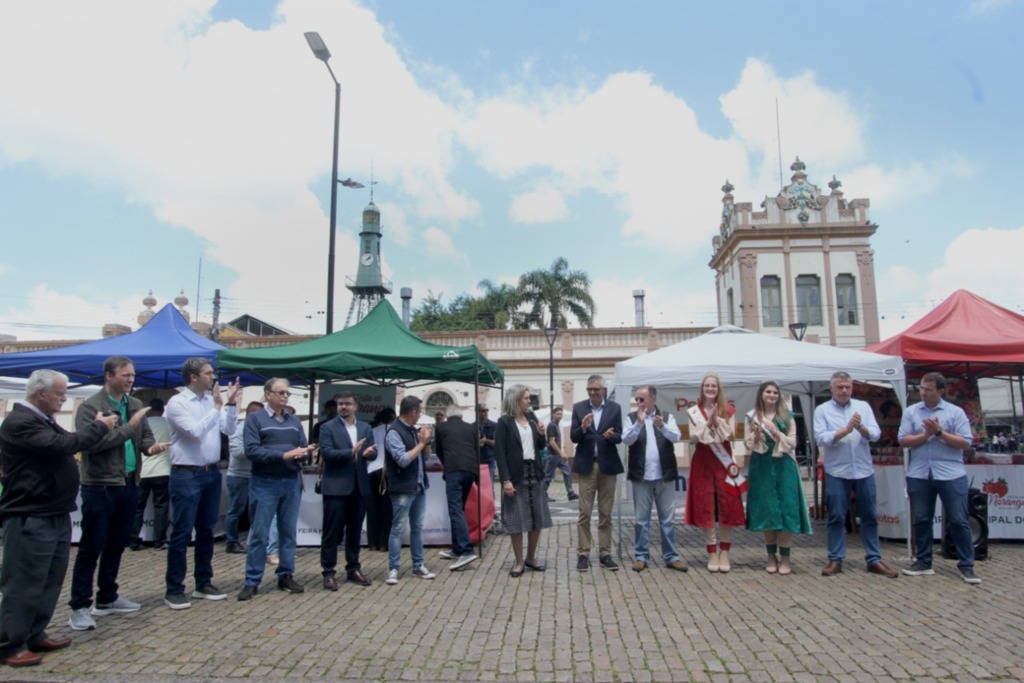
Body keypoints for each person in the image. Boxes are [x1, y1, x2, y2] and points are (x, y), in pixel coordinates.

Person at [0, 370, 117, 668]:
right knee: (24, 582)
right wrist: (100, 428)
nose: (64, 398)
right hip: (30, 515)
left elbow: (69, 441)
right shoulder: (20, 422)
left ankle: (34, 633)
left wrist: (94, 429)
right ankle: (11, 644)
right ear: (40, 393)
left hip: (53, 512)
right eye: (59, 393)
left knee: (49, 579)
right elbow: (62, 446)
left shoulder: (43, 420)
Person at [69, 356, 161, 631]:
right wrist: (129, 426)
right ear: (108, 376)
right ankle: (79, 606)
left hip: (128, 482)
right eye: (125, 375)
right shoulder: (90, 407)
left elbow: (143, 436)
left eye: (133, 375)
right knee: (91, 546)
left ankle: (107, 597)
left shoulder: (133, 405)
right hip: (100, 485)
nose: (131, 379)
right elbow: (94, 444)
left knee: (116, 544)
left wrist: (151, 448)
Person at [164, 357, 240, 609]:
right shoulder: (177, 403)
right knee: (182, 531)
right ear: (193, 376)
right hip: (186, 473)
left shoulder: (211, 402)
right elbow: (194, 432)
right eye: (208, 373)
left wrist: (229, 405)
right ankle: (174, 588)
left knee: (207, 530)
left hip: (210, 473)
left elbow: (229, 430)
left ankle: (203, 581)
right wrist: (217, 407)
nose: (213, 378)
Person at [813, 370, 898, 578]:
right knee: (836, 517)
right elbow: (821, 438)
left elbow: (876, 434)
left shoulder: (863, 407)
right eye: (840, 387)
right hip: (837, 471)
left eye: (848, 387)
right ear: (831, 388)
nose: (844, 391)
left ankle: (874, 559)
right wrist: (846, 429)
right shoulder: (822, 410)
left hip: (863, 470)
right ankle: (835, 558)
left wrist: (860, 428)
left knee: (869, 516)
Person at [898, 373, 980, 584]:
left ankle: (967, 564)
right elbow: (903, 440)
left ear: (941, 391)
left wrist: (939, 433)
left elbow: (965, 443)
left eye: (928, 389)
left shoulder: (955, 412)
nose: (923, 392)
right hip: (919, 472)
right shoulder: (912, 411)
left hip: (950, 473)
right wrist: (925, 436)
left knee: (959, 519)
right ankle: (924, 561)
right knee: (922, 519)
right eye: (922, 388)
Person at [238, 378, 315, 601]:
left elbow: (303, 446)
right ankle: (252, 580)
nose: (285, 396)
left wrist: (305, 452)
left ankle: (286, 574)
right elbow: (252, 451)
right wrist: (284, 455)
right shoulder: (255, 419)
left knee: (288, 532)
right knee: (260, 533)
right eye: (280, 392)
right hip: (265, 482)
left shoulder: (294, 421)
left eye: (287, 393)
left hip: (291, 480)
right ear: (268, 394)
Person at [744, 381, 811, 575]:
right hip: (762, 467)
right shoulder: (752, 417)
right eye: (768, 392)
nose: (772, 395)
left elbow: (792, 443)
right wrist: (756, 437)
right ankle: (771, 556)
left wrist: (776, 432)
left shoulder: (788, 417)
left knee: (786, 509)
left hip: (784, 467)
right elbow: (748, 445)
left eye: (775, 392)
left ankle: (786, 558)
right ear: (761, 394)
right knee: (768, 511)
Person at [622, 385, 687, 572]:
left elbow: (676, 437)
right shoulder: (632, 418)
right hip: (641, 476)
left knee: (667, 519)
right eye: (637, 399)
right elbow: (627, 440)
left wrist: (663, 427)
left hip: (664, 476)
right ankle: (641, 556)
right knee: (641, 520)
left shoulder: (667, 417)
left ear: (653, 399)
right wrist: (639, 424)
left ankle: (671, 556)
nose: (638, 403)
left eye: (642, 399)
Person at [685, 372, 745, 573]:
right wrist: (705, 425)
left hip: (723, 463)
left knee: (727, 505)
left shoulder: (728, 409)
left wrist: (717, 421)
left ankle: (725, 551)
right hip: (703, 462)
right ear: (702, 389)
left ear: (719, 389)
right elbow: (693, 438)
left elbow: (731, 435)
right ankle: (711, 551)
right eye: (707, 386)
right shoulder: (694, 411)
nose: (710, 389)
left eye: (713, 386)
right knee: (706, 506)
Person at [318, 391, 376, 590]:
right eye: (340, 404)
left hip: (359, 487)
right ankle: (328, 571)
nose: (344, 407)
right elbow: (326, 453)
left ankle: (353, 568)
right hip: (336, 487)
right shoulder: (327, 428)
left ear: (355, 406)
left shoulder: (365, 427)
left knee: (354, 531)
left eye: (348, 404)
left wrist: (369, 453)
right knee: (332, 532)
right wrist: (350, 452)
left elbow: (373, 452)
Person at [495, 384, 552, 577]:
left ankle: (531, 557)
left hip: (534, 472)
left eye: (529, 398)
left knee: (537, 518)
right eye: (526, 398)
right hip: (515, 474)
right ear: (516, 399)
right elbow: (500, 453)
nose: (529, 401)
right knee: (517, 519)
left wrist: (542, 434)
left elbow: (540, 446)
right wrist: (505, 480)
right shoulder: (504, 422)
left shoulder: (531, 418)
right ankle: (519, 561)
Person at [570, 374, 623, 571]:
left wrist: (612, 436)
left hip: (608, 465)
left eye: (596, 390)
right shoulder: (579, 408)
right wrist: (583, 427)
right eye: (590, 390)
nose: (593, 393)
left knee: (605, 513)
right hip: (587, 465)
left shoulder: (614, 408)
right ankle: (583, 553)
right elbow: (573, 437)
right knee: (584, 511)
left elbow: (620, 435)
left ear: (604, 391)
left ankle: (605, 553)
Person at [384, 396, 436, 585]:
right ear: (413, 411)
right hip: (403, 487)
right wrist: (420, 444)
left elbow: (426, 457)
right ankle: (393, 568)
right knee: (397, 528)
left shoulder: (414, 431)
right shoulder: (394, 432)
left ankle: (418, 564)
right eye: (419, 412)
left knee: (417, 528)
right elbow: (403, 460)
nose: (420, 415)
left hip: (419, 485)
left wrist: (427, 442)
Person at [434, 404, 481, 571]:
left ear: (447, 415)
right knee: (459, 508)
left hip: (453, 469)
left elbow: (438, 450)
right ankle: (457, 548)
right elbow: (477, 451)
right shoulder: (471, 428)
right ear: (461, 415)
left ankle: (466, 550)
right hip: (470, 471)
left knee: (455, 510)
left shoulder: (441, 427)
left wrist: (447, 463)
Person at [130, 398, 172, 552]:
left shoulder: (141, 425)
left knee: (138, 507)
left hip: (142, 471)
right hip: (163, 470)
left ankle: (133, 540)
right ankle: (159, 541)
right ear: (162, 409)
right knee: (161, 507)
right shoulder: (168, 424)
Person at [224, 401, 264, 554]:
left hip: (254, 475)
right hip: (238, 475)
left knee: (254, 510)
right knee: (236, 510)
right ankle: (231, 542)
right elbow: (237, 453)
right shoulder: (239, 429)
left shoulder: (256, 429)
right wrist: (259, 452)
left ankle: (254, 541)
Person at [365, 407, 396, 552]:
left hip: (371, 469)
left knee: (372, 507)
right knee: (386, 508)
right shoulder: (393, 429)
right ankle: (384, 542)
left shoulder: (372, 430)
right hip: (387, 470)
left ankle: (372, 542)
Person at [543, 407, 578, 501]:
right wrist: (561, 453)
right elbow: (552, 442)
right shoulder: (552, 426)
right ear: (553, 414)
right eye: (558, 414)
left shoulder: (556, 425)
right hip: (552, 455)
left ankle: (571, 493)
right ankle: (542, 494)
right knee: (548, 475)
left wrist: (561, 453)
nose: (560, 416)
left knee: (567, 471)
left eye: (561, 414)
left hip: (557, 455)